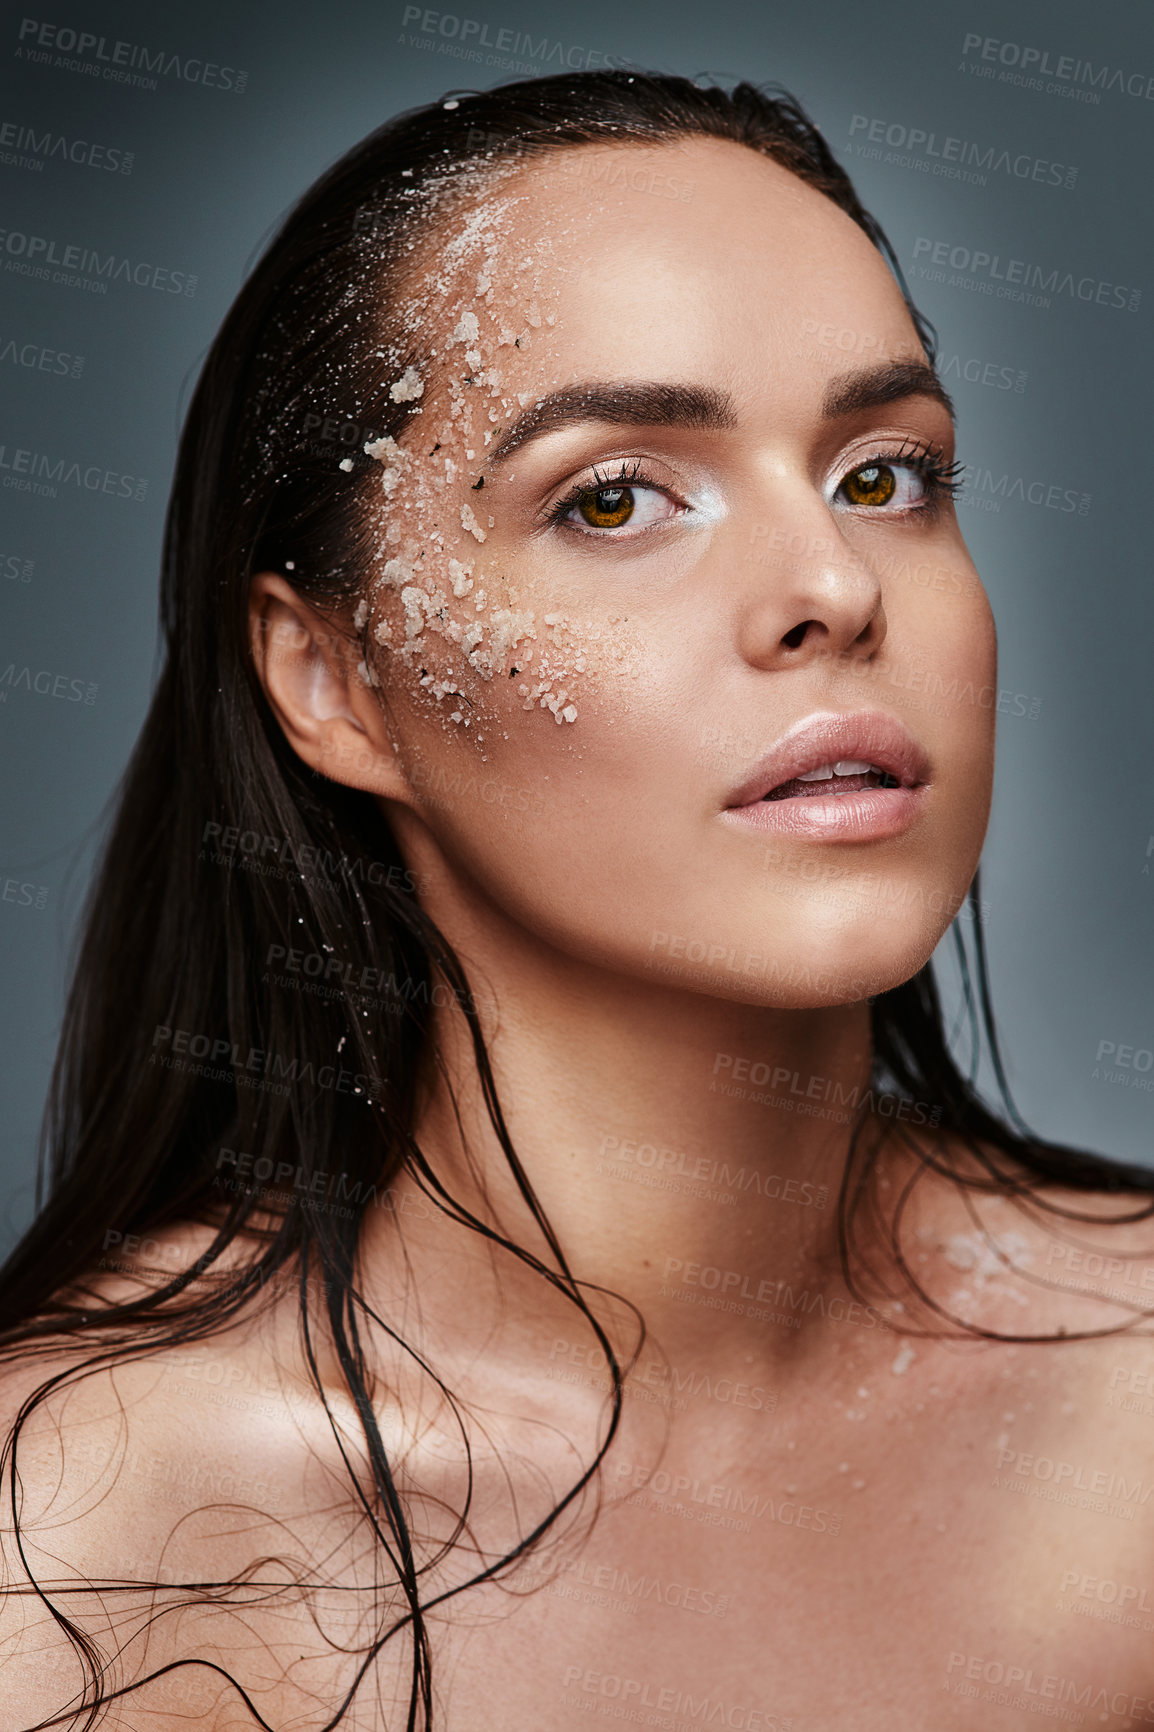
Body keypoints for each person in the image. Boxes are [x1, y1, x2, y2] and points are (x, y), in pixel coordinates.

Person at [2, 70, 1152, 1731]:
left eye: (885, 473)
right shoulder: (85, 1556)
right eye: (614, 497)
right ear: (334, 683)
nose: (833, 587)